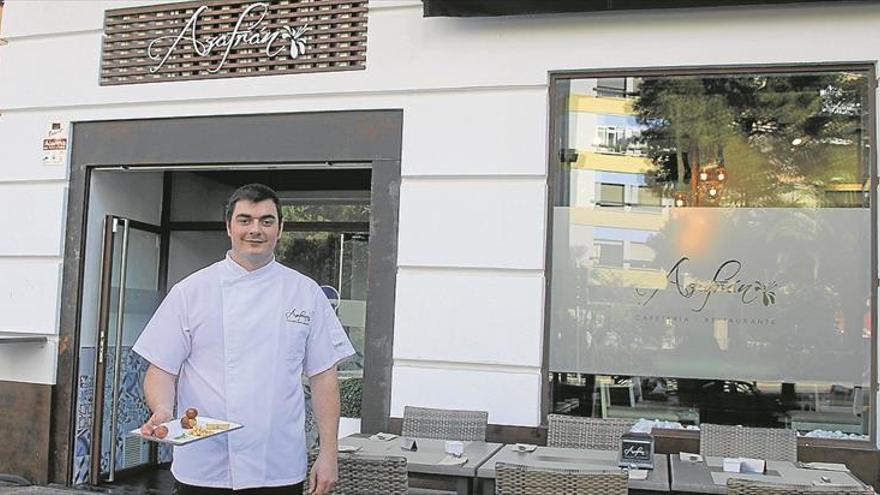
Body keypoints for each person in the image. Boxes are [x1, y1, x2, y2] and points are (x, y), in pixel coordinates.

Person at [135, 183, 355, 495]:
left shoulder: (305, 293)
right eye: (245, 220)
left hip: (277, 465)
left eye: (266, 221)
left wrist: (328, 454)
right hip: (204, 465)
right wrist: (162, 410)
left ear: (280, 229)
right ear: (229, 227)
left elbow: (324, 378)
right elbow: (161, 370)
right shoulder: (191, 292)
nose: (256, 229)